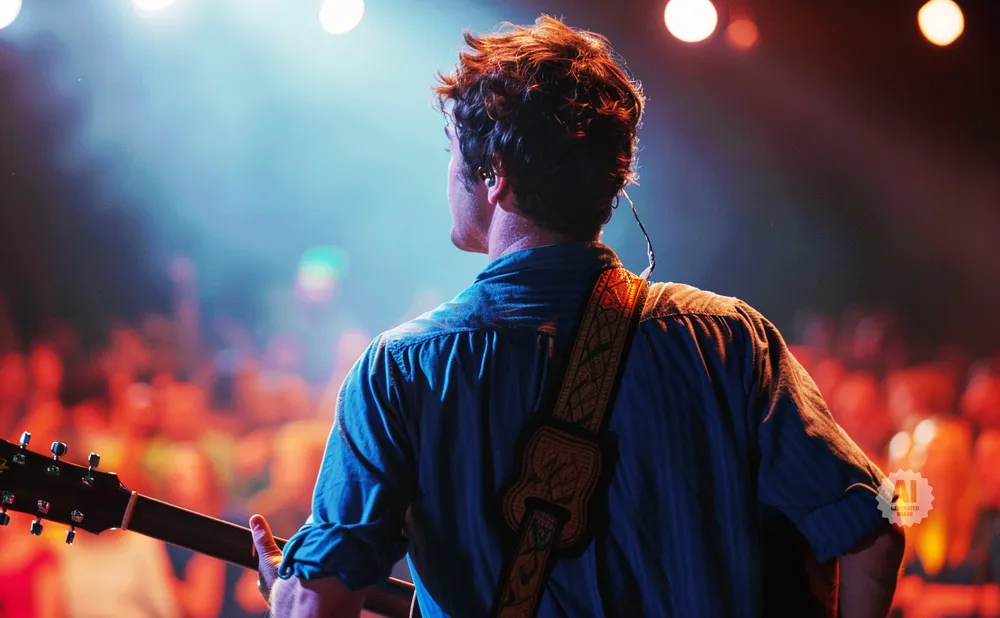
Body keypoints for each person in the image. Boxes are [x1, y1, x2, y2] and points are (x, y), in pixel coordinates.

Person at [250, 15, 905, 618]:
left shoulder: (403, 372)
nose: (448, 170)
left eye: (451, 150)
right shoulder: (727, 340)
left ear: (495, 173)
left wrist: (287, 588)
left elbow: (316, 606)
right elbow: (873, 529)